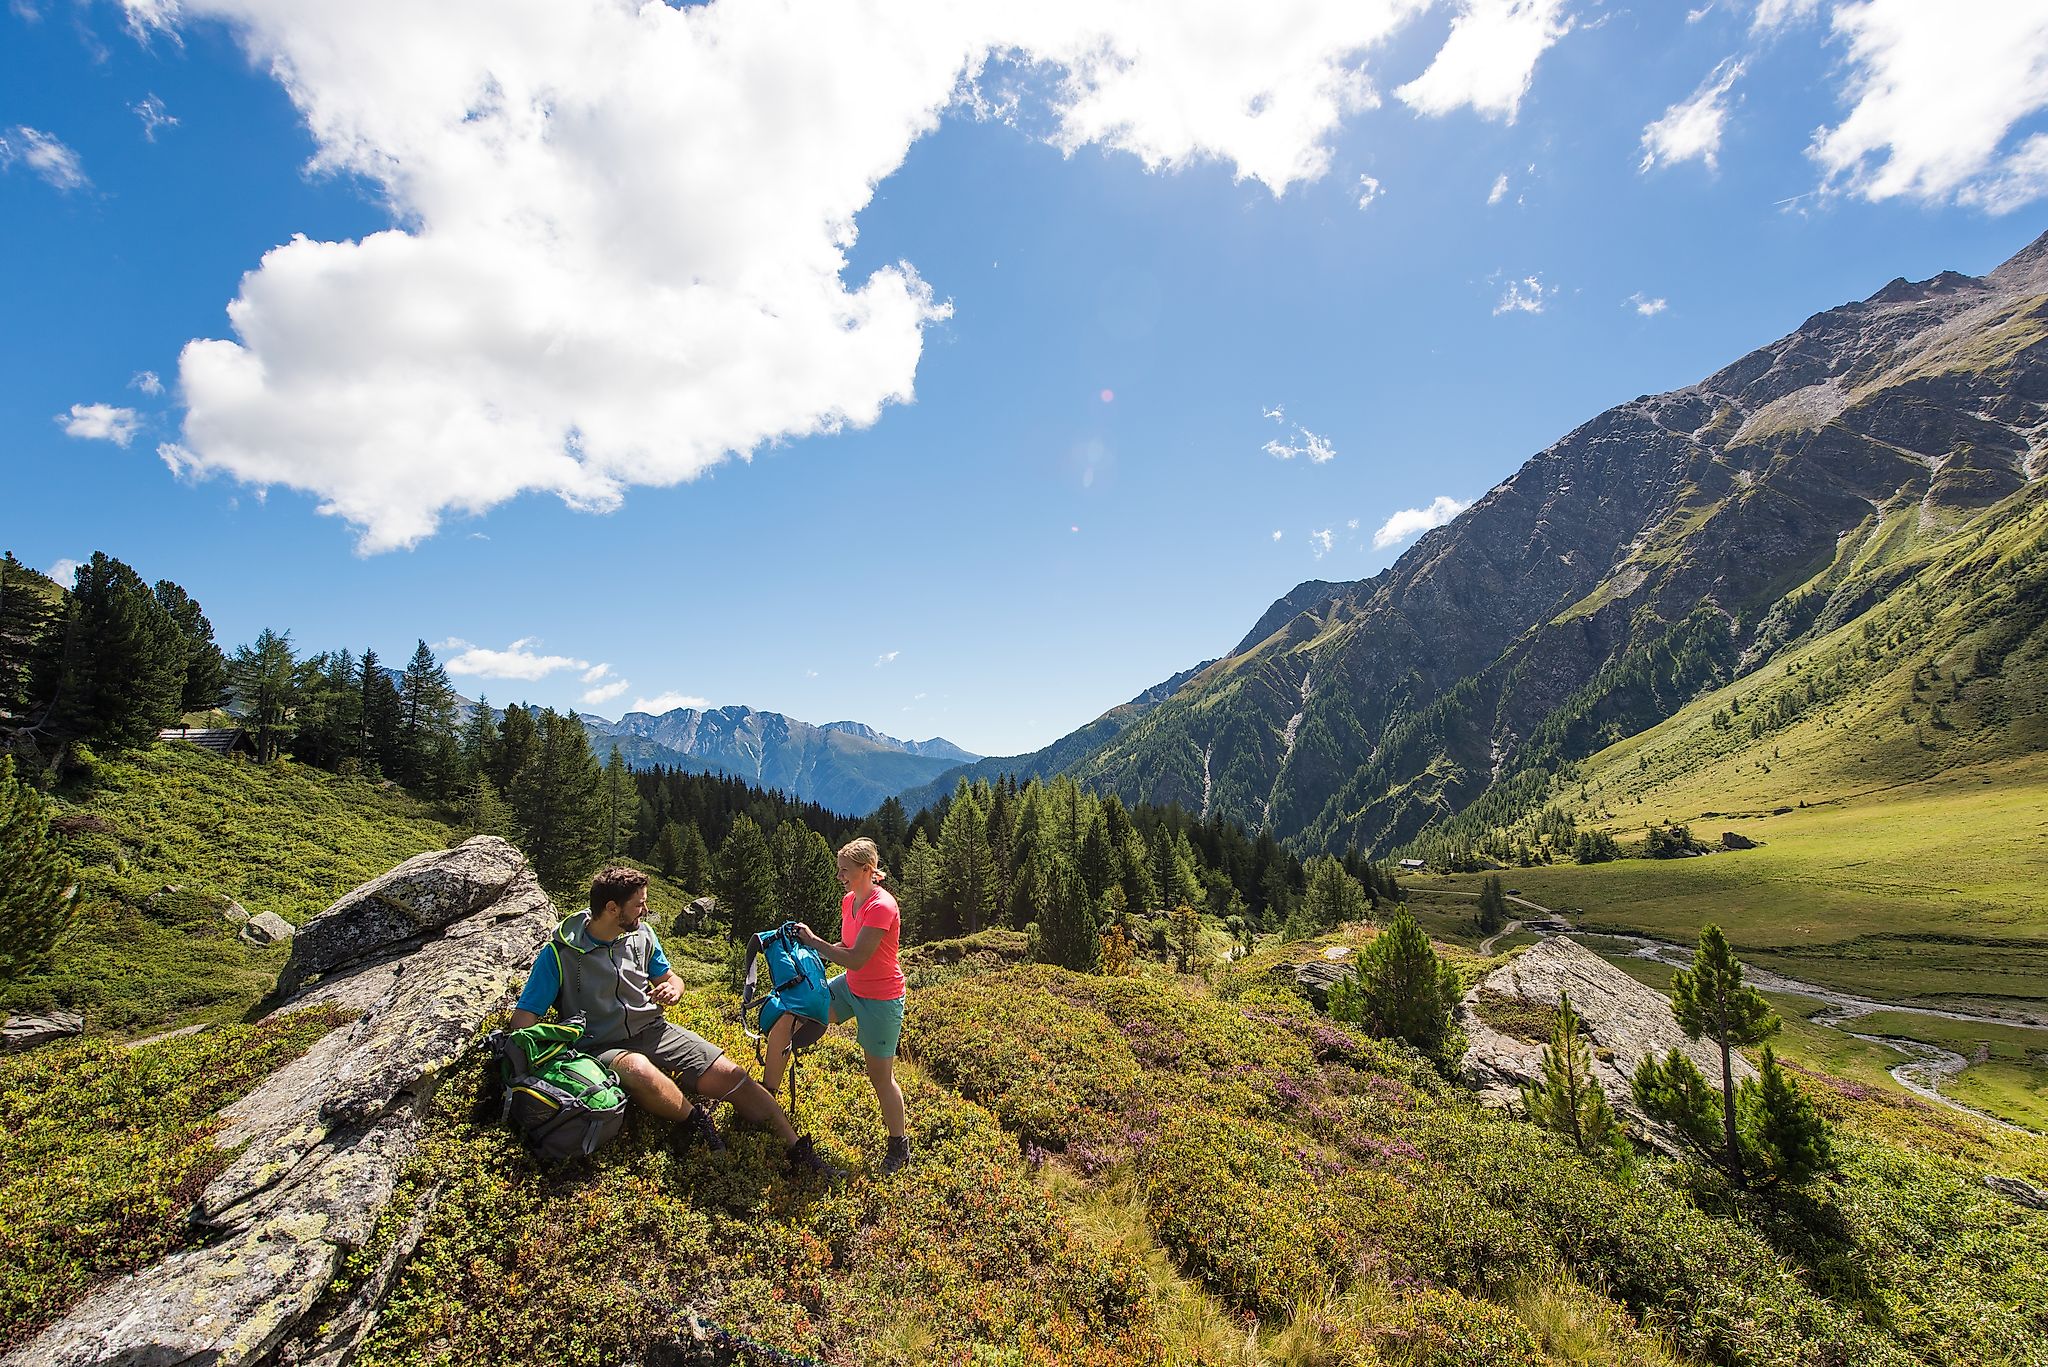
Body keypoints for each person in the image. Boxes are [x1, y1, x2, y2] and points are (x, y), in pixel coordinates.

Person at [508, 865, 840, 1178]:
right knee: (638, 1068)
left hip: (654, 1029)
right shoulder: (560, 954)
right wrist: (534, 1058)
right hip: (599, 1045)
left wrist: (673, 989)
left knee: (732, 1075)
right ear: (612, 908)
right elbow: (525, 1016)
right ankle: (697, 1123)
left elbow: (671, 977)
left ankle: (798, 1151)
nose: (646, 911)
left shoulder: (642, 935)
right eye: (639, 905)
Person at [763, 837, 911, 1174]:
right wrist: (810, 955)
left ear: (867, 870)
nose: (840, 876)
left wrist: (814, 942)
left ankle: (898, 1145)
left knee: (880, 1077)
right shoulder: (850, 901)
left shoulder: (882, 906)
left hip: (881, 999)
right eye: (839, 869)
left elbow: (857, 959)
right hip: (849, 987)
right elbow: (846, 945)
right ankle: (767, 1097)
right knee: (793, 1015)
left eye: (845, 870)